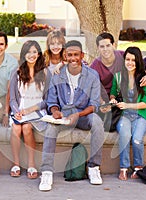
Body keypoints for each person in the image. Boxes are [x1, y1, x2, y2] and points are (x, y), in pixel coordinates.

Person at [39, 40, 105, 191]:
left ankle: (94, 167)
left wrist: (77, 114)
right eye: (70, 55)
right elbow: (51, 101)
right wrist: (55, 111)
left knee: (97, 123)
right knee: (50, 130)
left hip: (82, 115)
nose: (73, 58)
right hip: (63, 115)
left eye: (76, 54)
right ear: (65, 56)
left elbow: (94, 104)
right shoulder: (57, 74)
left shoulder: (92, 75)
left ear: (82, 55)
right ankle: (47, 172)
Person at [90, 32, 146, 131]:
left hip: (121, 98)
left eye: (108, 45)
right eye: (102, 46)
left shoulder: (123, 56)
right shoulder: (95, 65)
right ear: (98, 48)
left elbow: (139, 67)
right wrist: (104, 103)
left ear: (113, 45)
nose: (105, 49)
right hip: (105, 100)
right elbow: (94, 88)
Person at [9, 40, 51, 179]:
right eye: (28, 52)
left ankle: (31, 165)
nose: (31, 55)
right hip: (20, 111)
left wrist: (30, 109)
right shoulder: (17, 72)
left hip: (37, 111)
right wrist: (16, 111)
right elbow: (13, 99)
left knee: (27, 128)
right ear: (23, 54)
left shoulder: (45, 72)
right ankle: (15, 164)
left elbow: (48, 100)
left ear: (39, 54)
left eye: (34, 52)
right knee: (16, 128)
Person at [110, 47, 146, 180]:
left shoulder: (144, 78)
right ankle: (124, 168)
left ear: (138, 61)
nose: (130, 62)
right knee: (125, 135)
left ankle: (138, 167)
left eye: (133, 60)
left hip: (140, 116)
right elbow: (113, 93)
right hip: (124, 116)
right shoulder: (118, 76)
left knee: (137, 139)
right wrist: (113, 99)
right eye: (127, 59)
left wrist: (127, 105)